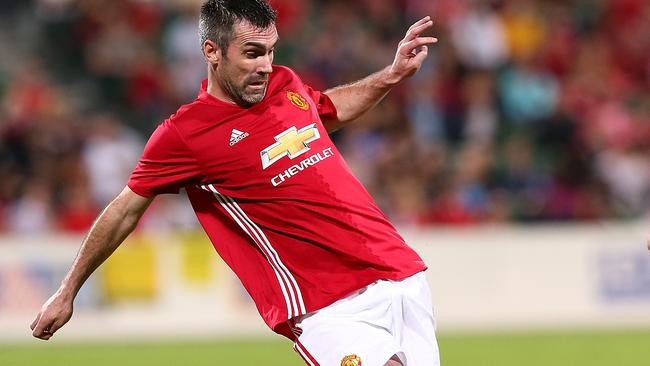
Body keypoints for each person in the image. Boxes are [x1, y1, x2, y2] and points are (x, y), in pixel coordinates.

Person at [31, 1, 439, 365]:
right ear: (212, 51)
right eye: (252, 53)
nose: (265, 64)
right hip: (325, 303)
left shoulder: (285, 84)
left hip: (400, 273)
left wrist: (393, 74)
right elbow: (124, 210)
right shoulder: (184, 134)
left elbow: (328, 110)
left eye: (270, 50)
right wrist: (68, 290)